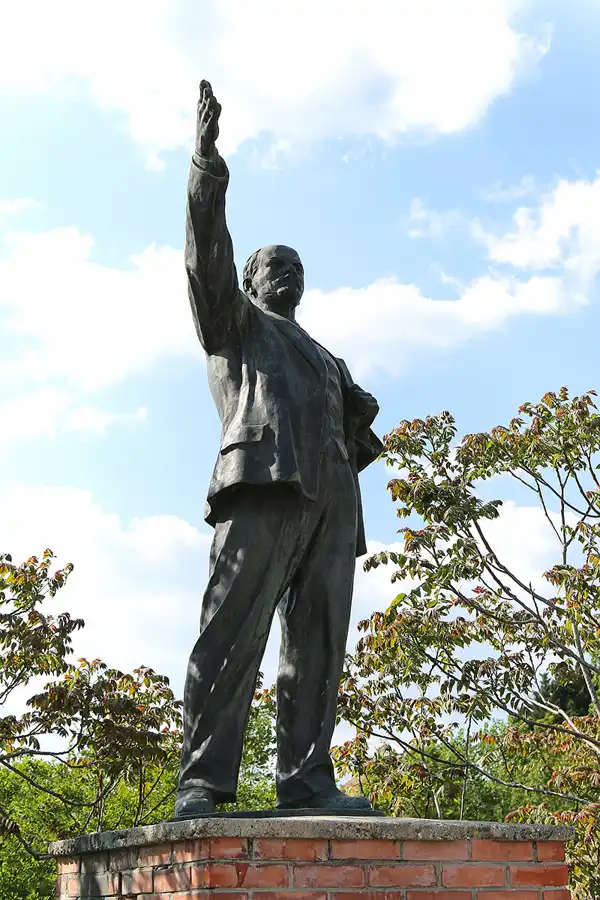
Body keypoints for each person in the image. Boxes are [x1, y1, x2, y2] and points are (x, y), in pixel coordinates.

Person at [175, 81, 382, 818]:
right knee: (232, 632)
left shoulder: (325, 355)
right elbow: (207, 260)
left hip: (333, 502)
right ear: (252, 282)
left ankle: (308, 781)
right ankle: (203, 782)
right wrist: (206, 168)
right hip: (262, 484)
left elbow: (355, 425)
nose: (289, 273)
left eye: (298, 267)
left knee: (319, 646)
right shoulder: (237, 325)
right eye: (275, 265)